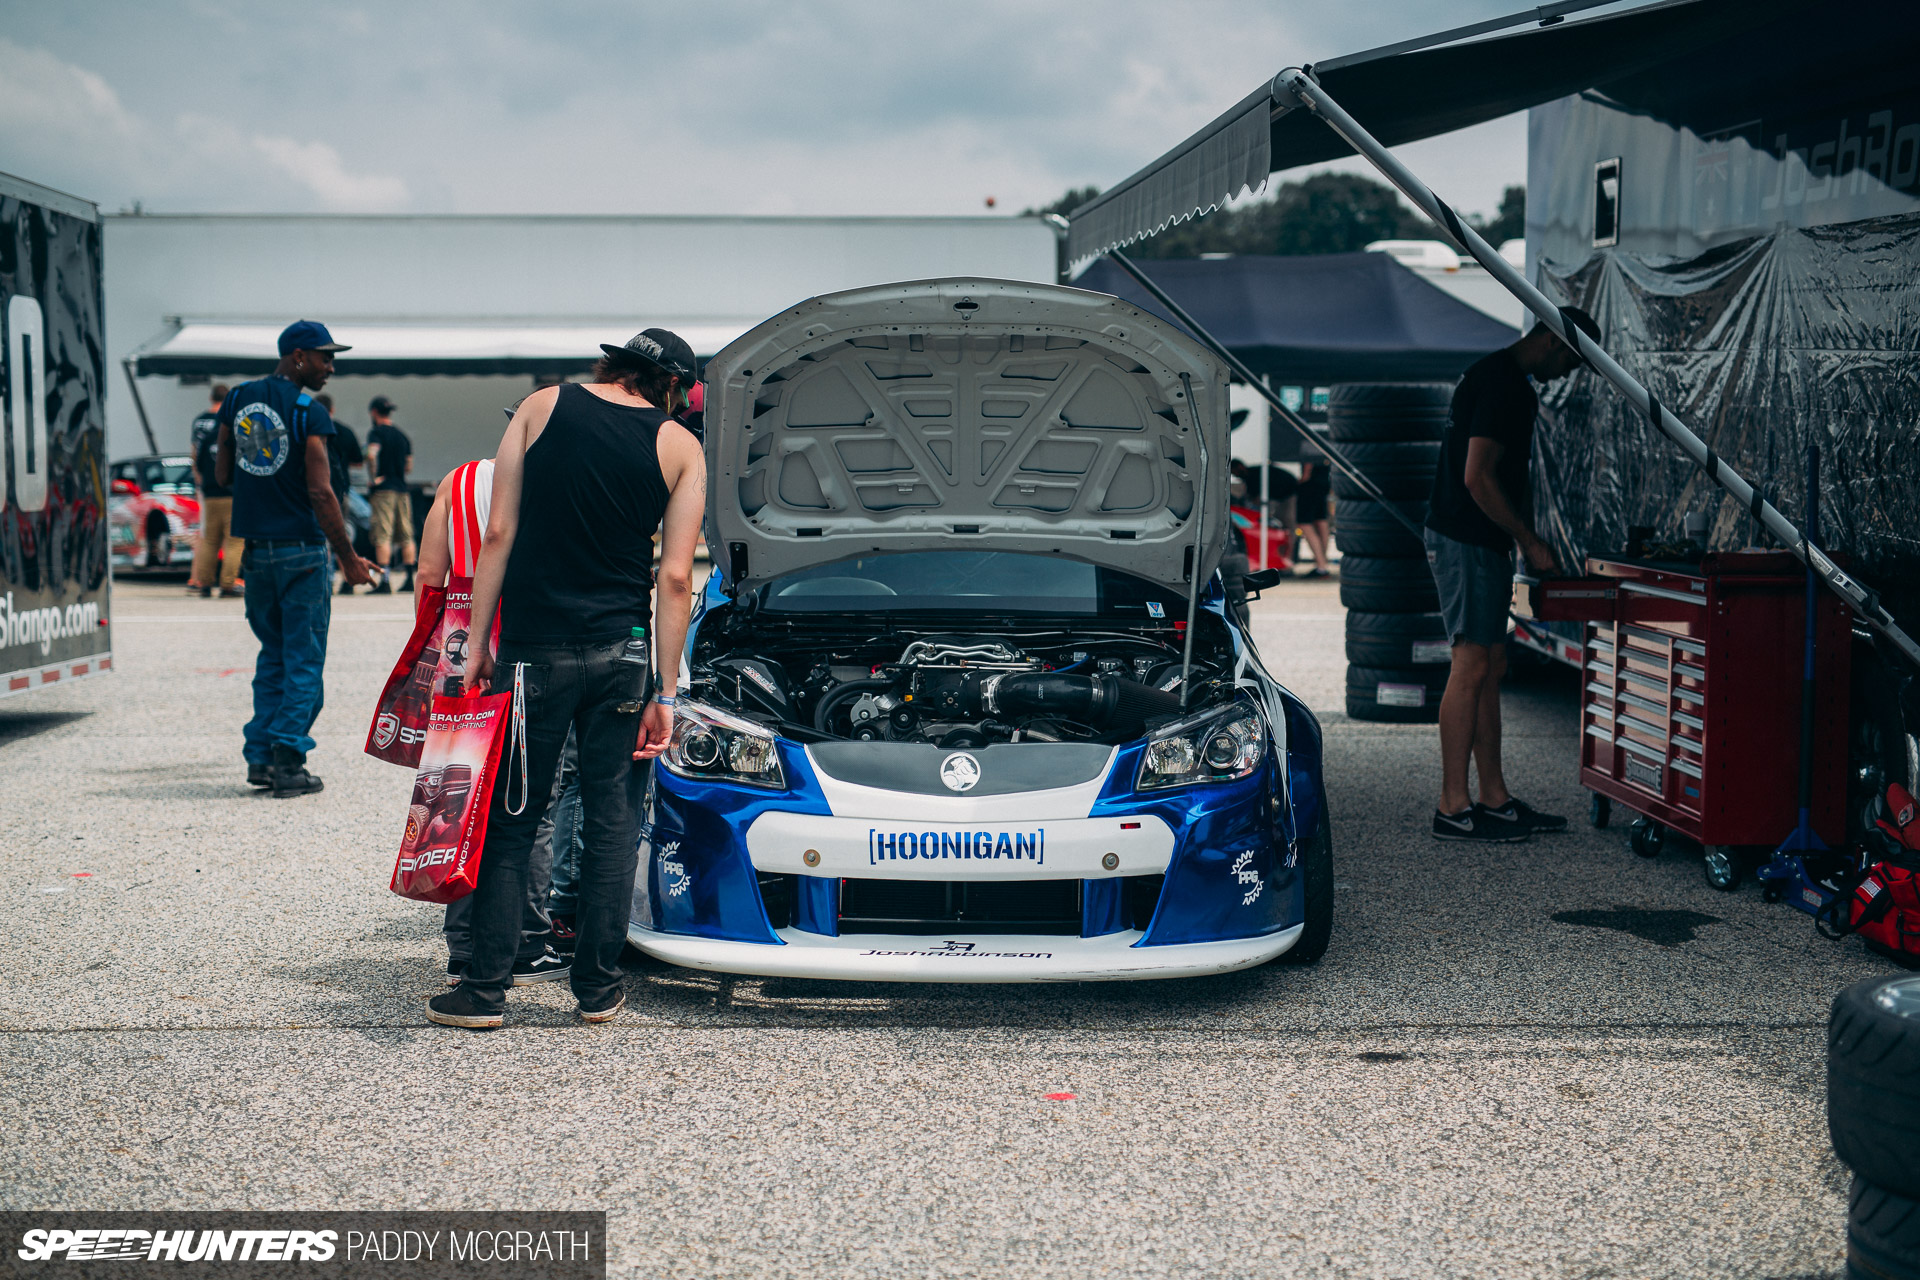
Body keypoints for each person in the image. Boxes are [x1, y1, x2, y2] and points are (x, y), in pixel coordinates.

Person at [426, 328, 706, 1030]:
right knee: (612, 818)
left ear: (615, 363)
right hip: (622, 655)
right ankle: (598, 989)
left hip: (531, 651)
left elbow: (498, 532)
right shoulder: (679, 445)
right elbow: (675, 578)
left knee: (514, 816)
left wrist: (477, 642)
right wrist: (664, 692)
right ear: (670, 385)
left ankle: (484, 991)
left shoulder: (540, 405)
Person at [1424, 308, 1601, 843]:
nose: (1571, 373)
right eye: (1573, 359)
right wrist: (1528, 539)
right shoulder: (1503, 384)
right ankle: (1452, 805)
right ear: (1551, 339)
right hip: (1467, 538)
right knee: (1471, 662)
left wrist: (1519, 537)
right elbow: (1477, 477)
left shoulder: (1501, 377)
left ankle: (1493, 797)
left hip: (1479, 539)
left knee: (1492, 663)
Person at [415, 457, 570, 986]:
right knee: (530, 800)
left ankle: (463, 947)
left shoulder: (455, 481)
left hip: (459, 651)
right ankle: (525, 941)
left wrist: (439, 658)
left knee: (460, 799)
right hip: (525, 646)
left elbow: (428, 577)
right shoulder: (551, 482)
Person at [215, 320, 380, 796]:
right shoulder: (309, 411)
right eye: (325, 357)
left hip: (256, 552)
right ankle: (289, 762)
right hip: (302, 554)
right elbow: (321, 491)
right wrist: (347, 556)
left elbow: (223, 472)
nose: (331, 367)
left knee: (274, 656)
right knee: (304, 660)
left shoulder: (238, 398)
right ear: (299, 357)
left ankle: (260, 759)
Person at [188, 384, 242, 597]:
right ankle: (228, 584)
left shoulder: (207, 431)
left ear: (211, 397)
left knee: (210, 539)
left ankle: (204, 583)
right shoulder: (237, 430)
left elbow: (197, 460)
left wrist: (201, 484)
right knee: (235, 540)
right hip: (232, 495)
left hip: (210, 493)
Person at [364, 394, 415, 594]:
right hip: (402, 489)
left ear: (374, 412)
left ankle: (384, 581)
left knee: (382, 534)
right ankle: (409, 578)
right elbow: (409, 466)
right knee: (406, 534)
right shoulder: (403, 436)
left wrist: (374, 476)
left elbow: (371, 455)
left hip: (384, 490)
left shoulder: (376, 433)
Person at [316, 394, 367, 596]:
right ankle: (348, 579)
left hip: (317, 491)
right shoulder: (344, 431)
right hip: (341, 490)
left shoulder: (310, 431)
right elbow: (358, 462)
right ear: (332, 409)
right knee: (342, 535)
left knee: (322, 537)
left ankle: (326, 580)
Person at [1294, 456, 1333, 578]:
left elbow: (1308, 466)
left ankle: (1321, 565)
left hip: (1310, 486)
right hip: (1324, 485)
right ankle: (1322, 563)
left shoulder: (1308, 446)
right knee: (1321, 521)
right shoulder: (1326, 441)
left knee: (1304, 523)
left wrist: (1301, 480)